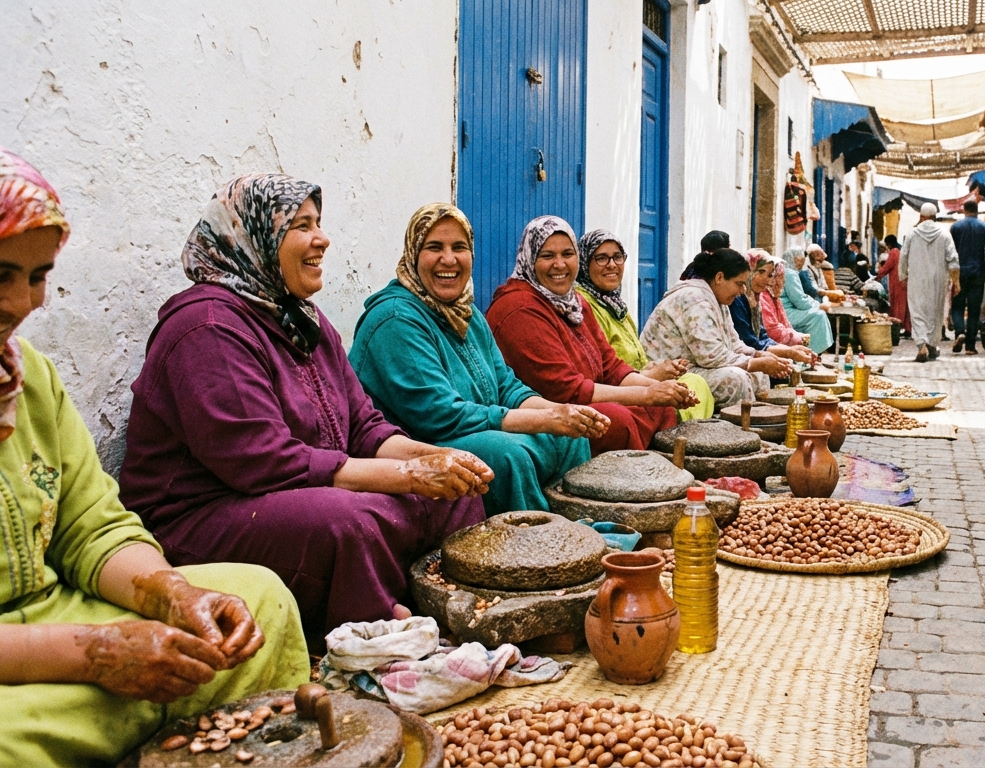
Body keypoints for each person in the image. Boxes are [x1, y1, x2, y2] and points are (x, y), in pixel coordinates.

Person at [0, 149, 308, 765]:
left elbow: (94, 528)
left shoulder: (28, 376)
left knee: (260, 601)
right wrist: (95, 652)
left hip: (62, 607)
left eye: (37, 277)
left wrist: (170, 596)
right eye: (0, 275)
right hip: (25, 657)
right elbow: (258, 457)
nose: (21, 303)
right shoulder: (205, 326)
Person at [120, 174, 494, 643]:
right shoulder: (207, 326)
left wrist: (434, 460)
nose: (322, 239)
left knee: (455, 494)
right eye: (301, 226)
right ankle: (372, 641)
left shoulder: (301, 319)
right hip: (203, 514)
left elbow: (365, 427)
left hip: (293, 490)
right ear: (254, 239)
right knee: (351, 522)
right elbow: (264, 462)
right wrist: (411, 477)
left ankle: (455, 613)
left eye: (318, 223)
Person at [350, 204, 605, 516]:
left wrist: (562, 414)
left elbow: (506, 386)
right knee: (508, 456)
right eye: (434, 247)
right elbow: (440, 415)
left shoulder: (466, 314)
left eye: (459, 247)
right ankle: (532, 549)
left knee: (571, 439)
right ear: (413, 254)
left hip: (469, 428)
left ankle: (580, 533)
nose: (449, 259)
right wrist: (547, 419)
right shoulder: (395, 318)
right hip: (418, 443)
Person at [487, 216, 689, 454]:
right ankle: (636, 480)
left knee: (660, 407)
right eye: (547, 256)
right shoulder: (519, 308)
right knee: (616, 421)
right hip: (549, 411)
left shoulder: (574, 302)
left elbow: (611, 366)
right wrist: (647, 393)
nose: (560, 264)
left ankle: (662, 470)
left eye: (567, 254)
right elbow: (565, 391)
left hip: (585, 400)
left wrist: (660, 389)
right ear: (529, 259)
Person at [574, 228, 713, 421]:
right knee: (690, 385)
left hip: (638, 381)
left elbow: (635, 359)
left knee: (695, 382)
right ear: (584, 264)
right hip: (617, 393)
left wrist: (660, 368)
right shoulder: (582, 305)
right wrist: (653, 376)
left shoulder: (615, 306)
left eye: (617, 257)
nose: (612, 265)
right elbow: (601, 372)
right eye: (601, 258)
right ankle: (669, 428)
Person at [641, 249, 792, 409]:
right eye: (739, 284)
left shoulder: (718, 300)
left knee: (758, 374)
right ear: (719, 277)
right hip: (667, 372)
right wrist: (758, 363)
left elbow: (733, 343)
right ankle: (737, 428)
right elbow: (710, 356)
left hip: (697, 365)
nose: (742, 291)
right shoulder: (695, 299)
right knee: (735, 379)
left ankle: (760, 423)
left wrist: (760, 355)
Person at [728, 249, 819, 365]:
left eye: (770, 275)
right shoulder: (737, 301)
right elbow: (749, 342)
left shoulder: (755, 301)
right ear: (748, 272)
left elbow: (763, 336)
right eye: (761, 272)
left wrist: (791, 350)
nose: (767, 280)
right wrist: (789, 352)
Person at [900, 202, 960, 362]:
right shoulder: (945, 234)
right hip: (939, 280)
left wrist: (903, 276)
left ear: (921, 216)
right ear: (935, 217)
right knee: (935, 312)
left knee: (918, 311)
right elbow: (953, 260)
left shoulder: (912, 234)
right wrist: (956, 282)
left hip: (916, 280)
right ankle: (932, 345)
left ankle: (923, 346)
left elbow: (903, 256)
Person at [948, 199, 985, 355]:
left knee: (957, 305)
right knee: (974, 309)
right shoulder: (984, 227)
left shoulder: (955, 227)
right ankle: (970, 346)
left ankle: (959, 332)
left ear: (963, 210)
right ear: (977, 210)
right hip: (977, 272)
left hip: (959, 272)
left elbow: (949, 251)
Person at [780, 247, 835, 354]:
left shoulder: (785, 271)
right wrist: (818, 305)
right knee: (818, 316)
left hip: (785, 309)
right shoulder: (790, 274)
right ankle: (811, 352)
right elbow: (800, 301)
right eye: (801, 261)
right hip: (786, 312)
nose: (801, 264)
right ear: (796, 260)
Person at [759, 261, 811, 349]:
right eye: (779, 277)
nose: (783, 282)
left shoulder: (774, 296)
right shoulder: (763, 296)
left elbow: (785, 323)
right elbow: (771, 330)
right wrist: (795, 337)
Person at [876, 234, 909, 335]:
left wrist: (878, 276)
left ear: (888, 244)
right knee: (905, 306)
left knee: (897, 305)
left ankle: (897, 326)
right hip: (903, 281)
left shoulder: (894, 252)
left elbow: (887, 267)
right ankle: (908, 328)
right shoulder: (901, 251)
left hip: (897, 282)